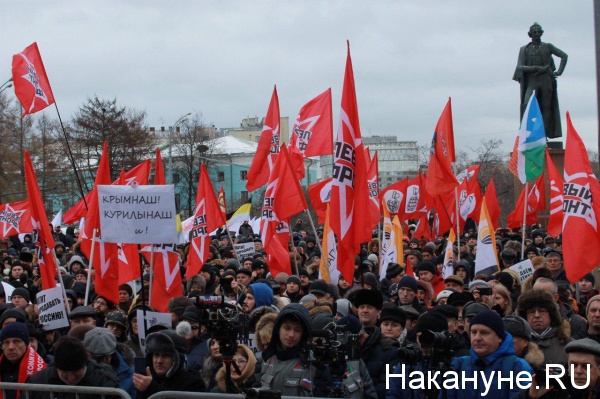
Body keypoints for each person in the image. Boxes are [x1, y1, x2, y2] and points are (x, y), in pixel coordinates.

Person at [448, 310, 533, 399]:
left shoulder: (516, 366)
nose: (477, 338)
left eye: (484, 333)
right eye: (473, 332)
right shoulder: (460, 364)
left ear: (499, 337)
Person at [258, 303, 330, 397]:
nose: (291, 335)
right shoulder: (265, 360)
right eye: (287, 328)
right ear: (278, 329)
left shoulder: (315, 364)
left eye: (297, 330)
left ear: (304, 333)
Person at [513, 23, 568, 139]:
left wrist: (558, 72)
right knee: (527, 104)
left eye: (539, 32)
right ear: (530, 34)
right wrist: (536, 68)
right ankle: (530, 134)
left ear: (542, 33)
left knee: (546, 107)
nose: (537, 34)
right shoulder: (524, 49)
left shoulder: (548, 46)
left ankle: (544, 134)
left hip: (546, 80)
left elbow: (564, 56)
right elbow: (520, 67)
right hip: (532, 81)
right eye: (534, 32)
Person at [27, 336, 120, 399]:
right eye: (65, 372)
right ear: (57, 368)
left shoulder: (104, 381)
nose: (71, 378)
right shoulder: (38, 382)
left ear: (85, 366)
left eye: (76, 372)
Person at [133, 329, 205, 398]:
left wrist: (152, 388)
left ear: (177, 359)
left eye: (165, 356)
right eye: (156, 355)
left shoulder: (194, 383)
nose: (159, 361)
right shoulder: (145, 381)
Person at [520, 338, 600, 399]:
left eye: (585, 366)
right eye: (573, 365)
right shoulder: (554, 389)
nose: (578, 371)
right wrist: (529, 396)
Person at [517, 289, 571, 366]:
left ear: (551, 314)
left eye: (542, 311)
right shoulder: (517, 344)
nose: (537, 315)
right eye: (531, 311)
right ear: (525, 316)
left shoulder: (568, 344)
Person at [83, 327, 135, 398]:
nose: (105, 361)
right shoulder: (80, 370)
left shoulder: (128, 369)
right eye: (98, 358)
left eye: (108, 356)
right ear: (87, 352)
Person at [0, 322, 46, 399]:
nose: (10, 347)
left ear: (26, 344)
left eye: (16, 341)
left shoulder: (40, 370)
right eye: (6, 342)